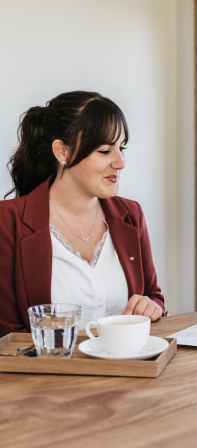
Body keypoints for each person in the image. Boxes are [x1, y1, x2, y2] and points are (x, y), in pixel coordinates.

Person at [0, 91, 166, 338]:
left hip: (128, 371)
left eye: (121, 148)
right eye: (104, 151)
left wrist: (152, 307)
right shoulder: (8, 221)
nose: (120, 163)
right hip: (46, 375)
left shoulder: (131, 215)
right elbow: (7, 334)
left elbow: (154, 297)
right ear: (62, 152)